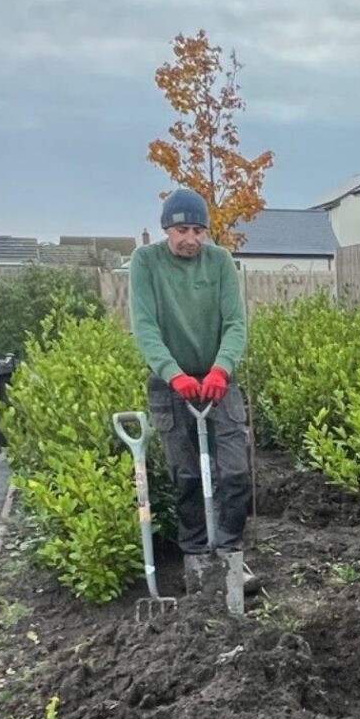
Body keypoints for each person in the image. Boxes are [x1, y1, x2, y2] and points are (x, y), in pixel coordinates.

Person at [127, 187, 254, 596]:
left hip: (218, 379)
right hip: (171, 384)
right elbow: (145, 326)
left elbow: (235, 323)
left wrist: (221, 369)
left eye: (199, 230)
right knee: (186, 476)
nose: (192, 239)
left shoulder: (219, 263)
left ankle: (231, 551)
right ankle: (196, 557)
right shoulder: (146, 262)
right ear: (167, 228)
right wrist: (173, 373)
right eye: (183, 230)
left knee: (234, 471)